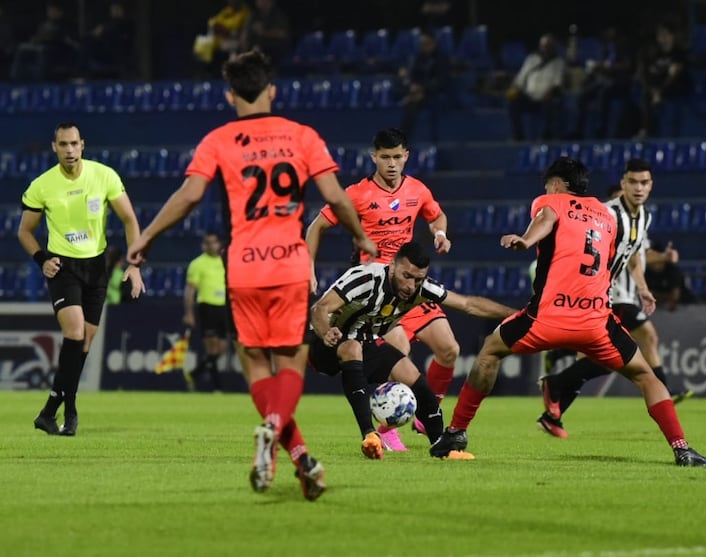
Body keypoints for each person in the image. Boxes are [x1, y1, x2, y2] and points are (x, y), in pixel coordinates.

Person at [126, 48, 377, 502]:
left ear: (230, 96)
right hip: (289, 264)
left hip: (241, 265)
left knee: (255, 364)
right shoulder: (300, 136)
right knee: (291, 363)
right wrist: (360, 236)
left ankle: (300, 457)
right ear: (272, 90)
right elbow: (337, 197)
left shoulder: (219, 140)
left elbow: (189, 195)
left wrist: (147, 236)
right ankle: (274, 427)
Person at [430, 157, 706, 467]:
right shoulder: (607, 214)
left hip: (546, 319)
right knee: (647, 376)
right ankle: (682, 448)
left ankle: (457, 432)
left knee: (489, 354)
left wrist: (525, 240)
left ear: (557, 184)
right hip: (595, 321)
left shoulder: (551, 201)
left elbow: (546, 220)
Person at [306, 127, 458, 452]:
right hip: (377, 289)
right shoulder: (357, 194)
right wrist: (308, 267)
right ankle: (388, 424)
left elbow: (436, 214)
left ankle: (421, 414)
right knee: (399, 349)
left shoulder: (417, 189)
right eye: (385, 157)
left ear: (407, 157)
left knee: (449, 348)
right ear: (374, 157)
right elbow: (316, 225)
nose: (391, 164)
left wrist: (440, 233)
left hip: (411, 286)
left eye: (397, 157)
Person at [307, 241, 514, 460]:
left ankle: (441, 446)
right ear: (393, 266)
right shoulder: (365, 278)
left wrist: (518, 314)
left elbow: (468, 304)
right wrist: (326, 331)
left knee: (410, 374)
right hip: (324, 341)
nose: (411, 286)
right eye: (406, 276)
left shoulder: (422, 288)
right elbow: (319, 308)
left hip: (365, 340)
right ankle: (370, 436)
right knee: (352, 347)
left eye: (418, 279)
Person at [535, 159, 693, 439]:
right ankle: (556, 385)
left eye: (644, 183)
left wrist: (643, 288)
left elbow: (632, 254)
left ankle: (553, 409)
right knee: (624, 351)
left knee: (595, 357)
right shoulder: (606, 214)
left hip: (608, 297)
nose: (639, 188)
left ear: (651, 185)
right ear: (622, 184)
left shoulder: (644, 216)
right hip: (595, 295)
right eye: (633, 182)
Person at [18, 122, 144, 437]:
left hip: (96, 267)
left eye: (74, 143)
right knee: (74, 334)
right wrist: (41, 259)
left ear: (83, 144)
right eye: (63, 144)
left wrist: (134, 264)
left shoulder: (104, 176)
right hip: (64, 268)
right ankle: (55, 410)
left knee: (84, 343)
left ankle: (61, 410)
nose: (70, 150)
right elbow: (24, 231)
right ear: (54, 147)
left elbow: (130, 219)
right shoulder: (42, 185)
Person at [183, 232, 229, 392]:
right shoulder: (197, 264)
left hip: (224, 307)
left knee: (222, 348)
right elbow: (190, 290)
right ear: (204, 245)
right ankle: (218, 387)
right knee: (212, 349)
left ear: (219, 244)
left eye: (213, 243)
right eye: (208, 243)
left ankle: (194, 373)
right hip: (207, 306)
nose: (211, 246)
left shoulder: (225, 261)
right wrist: (189, 312)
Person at [634, 23, 690, 139]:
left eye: (666, 35)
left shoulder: (679, 53)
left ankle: (650, 130)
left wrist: (660, 92)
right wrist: (654, 91)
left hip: (675, 87)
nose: (663, 39)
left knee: (667, 85)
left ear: (672, 36)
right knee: (644, 92)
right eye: (660, 36)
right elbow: (646, 73)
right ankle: (645, 130)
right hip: (656, 89)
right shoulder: (655, 54)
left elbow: (674, 75)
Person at [506, 33, 566, 141]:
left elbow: (557, 83)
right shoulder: (531, 59)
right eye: (544, 46)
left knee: (553, 102)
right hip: (529, 97)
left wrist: (548, 93)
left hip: (546, 98)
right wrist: (514, 88)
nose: (546, 49)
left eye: (549, 46)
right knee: (513, 101)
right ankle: (518, 136)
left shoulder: (559, 62)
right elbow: (520, 79)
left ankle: (546, 136)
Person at [397, 30, 452, 141]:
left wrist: (423, 89)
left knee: (412, 105)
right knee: (401, 92)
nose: (424, 46)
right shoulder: (419, 57)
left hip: (435, 92)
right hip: (418, 91)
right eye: (422, 44)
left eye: (426, 44)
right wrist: (412, 85)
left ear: (433, 43)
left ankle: (403, 140)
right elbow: (414, 76)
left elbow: (441, 81)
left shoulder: (442, 58)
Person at [239, 0, 291, 68]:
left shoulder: (278, 15)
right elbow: (245, 32)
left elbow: (283, 34)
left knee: (259, 50)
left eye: (265, 1)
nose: (262, 2)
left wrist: (264, 32)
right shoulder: (254, 15)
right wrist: (244, 48)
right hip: (255, 45)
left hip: (273, 46)